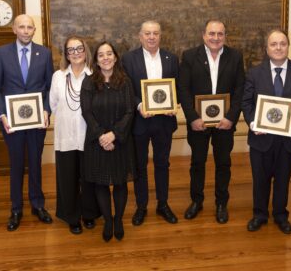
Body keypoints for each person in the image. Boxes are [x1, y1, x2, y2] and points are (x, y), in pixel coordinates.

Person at [241, 30, 291, 234]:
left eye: (282, 44)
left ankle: (281, 215)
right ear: (267, 48)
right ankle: (259, 214)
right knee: (260, 179)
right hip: (261, 138)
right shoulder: (254, 73)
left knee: (283, 179)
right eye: (274, 44)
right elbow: (246, 102)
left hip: (289, 139)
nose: (278, 48)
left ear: (288, 46)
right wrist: (253, 122)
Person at [177, 20, 245, 223]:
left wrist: (231, 117)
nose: (216, 38)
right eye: (212, 33)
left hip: (225, 123)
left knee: (223, 163)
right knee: (197, 163)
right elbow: (183, 89)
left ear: (225, 36)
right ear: (204, 35)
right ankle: (196, 201)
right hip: (198, 124)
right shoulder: (190, 56)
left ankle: (221, 203)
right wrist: (193, 118)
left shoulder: (235, 57)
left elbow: (240, 90)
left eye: (220, 34)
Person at [0, 14, 54, 231]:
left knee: (36, 163)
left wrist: (46, 110)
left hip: (37, 121)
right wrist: (2, 115)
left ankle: (38, 205)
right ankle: (16, 208)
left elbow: (49, 87)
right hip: (12, 122)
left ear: (34, 30)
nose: (26, 31)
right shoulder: (0, 53)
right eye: (22, 27)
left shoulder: (44, 53)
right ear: (14, 29)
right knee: (17, 164)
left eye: (30, 27)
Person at [122, 21, 179, 226]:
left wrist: (175, 103)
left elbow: (177, 87)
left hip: (164, 122)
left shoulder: (171, 59)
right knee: (140, 166)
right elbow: (126, 89)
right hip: (140, 122)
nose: (152, 37)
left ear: (160, 36)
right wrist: (139, 106)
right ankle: (141, 206)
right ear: (140, 36)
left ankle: (163, 204)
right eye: (148, 33)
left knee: (163, 164)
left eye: (155, 33)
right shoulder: (129, 59)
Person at [81, 42, 135, 242]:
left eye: (109, 54)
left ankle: (118, 220)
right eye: (101, 55)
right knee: (101, 184)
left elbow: (130, 111)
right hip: (97, 141)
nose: (105, 58)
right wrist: (102, 136)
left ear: (115, 57)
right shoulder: (89, 83)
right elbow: (86, 112)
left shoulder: (125, 82)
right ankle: (108, 221)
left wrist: (114, 134)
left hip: (120, 141)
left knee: (120, 182)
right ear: (95, 60)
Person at [49, 36, 100, 234]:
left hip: (89, 137)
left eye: (79, 48)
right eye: (71, 50)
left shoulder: (94, 75)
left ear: (85, 51)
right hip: (66, 137)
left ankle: (89, 214)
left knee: (89, 179)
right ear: (66, 54)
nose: (76, 52)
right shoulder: (58, 77)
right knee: (67, 179)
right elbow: (53, 104)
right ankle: (71, 216)